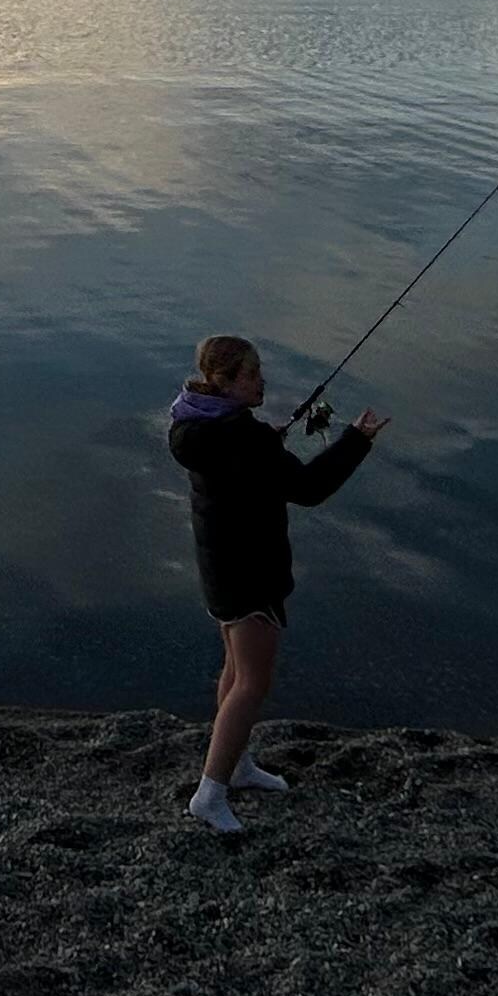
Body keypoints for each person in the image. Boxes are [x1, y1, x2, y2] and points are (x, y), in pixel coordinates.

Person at [163, 333, 384, 835]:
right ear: (225, 382)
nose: (262, 381)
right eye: (252, 374)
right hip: (249, 572)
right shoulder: (245, 439)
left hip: (220, 568)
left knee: (235, 669)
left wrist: (265, 444)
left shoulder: (195, 423)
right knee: (253, 684)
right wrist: (357, 440)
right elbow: (309, 488)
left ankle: (236, 765)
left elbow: (242, 467)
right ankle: (209, 795)